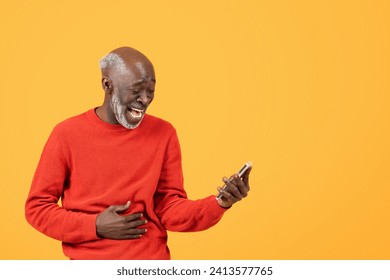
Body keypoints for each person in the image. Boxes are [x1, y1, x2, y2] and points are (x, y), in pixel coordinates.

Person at [25, 46, 252, 260]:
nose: (144, 100)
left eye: (150, 91)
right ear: (107, 85)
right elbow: (37, 208)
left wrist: (219, 203)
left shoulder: (164, 133)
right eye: (136, 91)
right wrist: (95, 225)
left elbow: (169, 207)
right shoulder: (66, 134)